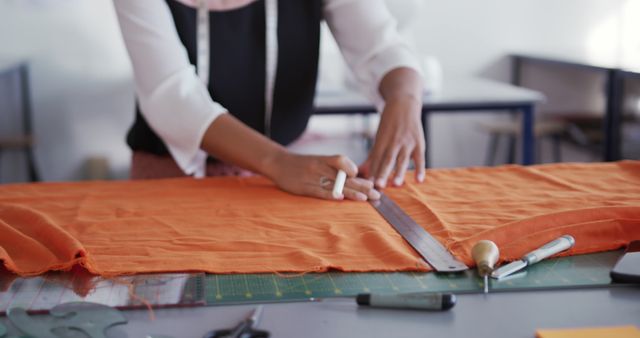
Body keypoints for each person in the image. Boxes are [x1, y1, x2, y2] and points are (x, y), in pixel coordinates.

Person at [113, 0, 425, 201]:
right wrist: (278, 163)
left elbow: (380, 46)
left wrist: (405, 96)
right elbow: (171, 95)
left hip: (281, 186)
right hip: (170, 182)